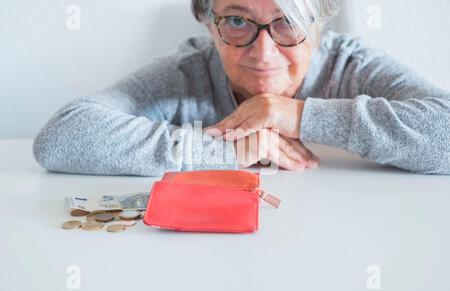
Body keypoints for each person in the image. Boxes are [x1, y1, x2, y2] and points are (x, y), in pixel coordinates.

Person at [33, 0, 450, 176]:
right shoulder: (188, 74)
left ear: (320, 25)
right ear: (207, 22)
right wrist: (223, 149)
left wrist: (297, 115)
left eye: (288, 20)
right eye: (237, 21)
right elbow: (62, 138)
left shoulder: (349, 65)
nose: (263, 53)